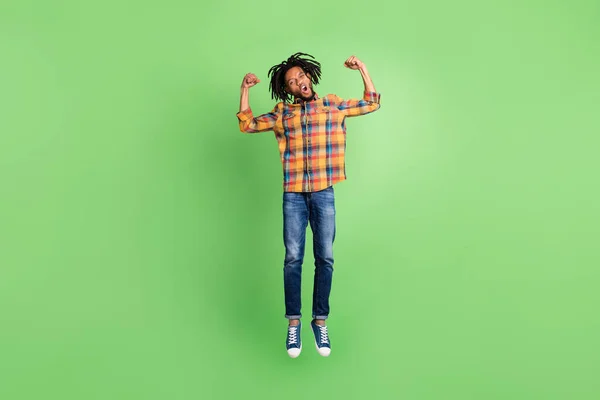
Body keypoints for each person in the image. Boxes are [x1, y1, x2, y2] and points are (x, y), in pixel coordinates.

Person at [236, 53, 381, 358]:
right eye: (291, 82)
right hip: (294, 195)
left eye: (300, 76)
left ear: (309, 77)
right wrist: (245, 89)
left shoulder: (332, 104)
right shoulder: (283, 113)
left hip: (323, 192)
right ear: (287, 90)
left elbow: (371, 102)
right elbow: (247, 125)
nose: (297, 82)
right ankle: (293, 323)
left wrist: (363, 69)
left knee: (325, 257)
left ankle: (320, 320)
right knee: (293, 258)